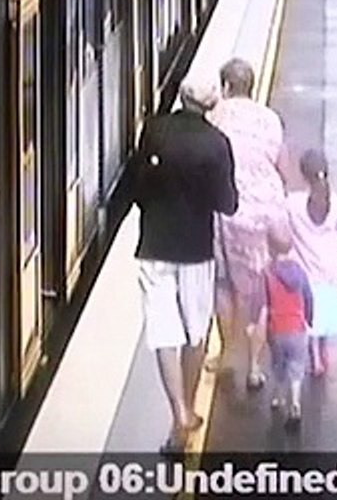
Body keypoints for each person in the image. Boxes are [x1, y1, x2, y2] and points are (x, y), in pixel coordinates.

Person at [130, 82, 237, 454]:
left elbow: (138, 188)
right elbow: (228, 203)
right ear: (212, 103)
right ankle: (188, 410)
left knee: (163, 333)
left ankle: (178, 412)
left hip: (154, 245)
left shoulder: (155, 130)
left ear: (181, 97)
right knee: (195, 331)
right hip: (196, 251)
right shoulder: (216, 143)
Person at [206, 58, 289, 389]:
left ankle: (227, 355)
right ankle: (254, 367)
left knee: (223, 284)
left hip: (226, 211)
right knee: (258, 292)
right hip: (264, 213)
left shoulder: (215, 116)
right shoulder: (270, 119)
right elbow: (281, 167)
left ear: (226, 86)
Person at [286, 148, 337, 376]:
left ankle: (314, 357)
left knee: (312, 313)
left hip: (306, 268)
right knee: (328, 313)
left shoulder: (293, 203)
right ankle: (324, 351)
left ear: (303, 174)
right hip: (330, 268)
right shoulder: (335, 202)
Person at [261, 216, 313, 428]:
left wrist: (258, 324)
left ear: (270, 248)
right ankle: (296, 403)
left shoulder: (268, 273)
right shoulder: (299, 272)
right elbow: (308, 297)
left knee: (279, 365)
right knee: (297, 367)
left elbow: (263, 301)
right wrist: (309, 318)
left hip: (277, 329)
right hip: (297, 327)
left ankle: (278, 396)